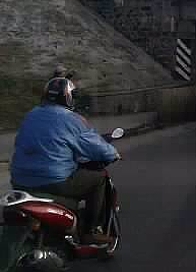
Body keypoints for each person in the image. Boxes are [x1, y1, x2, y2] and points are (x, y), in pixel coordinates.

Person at [10, 77, 120, 245]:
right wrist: (113, 154)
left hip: (19, 180)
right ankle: (90, 232)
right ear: (68, 97)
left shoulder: (31, 115)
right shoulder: (71, 119)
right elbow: (95, 146)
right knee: (100, 179)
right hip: (54, 181)